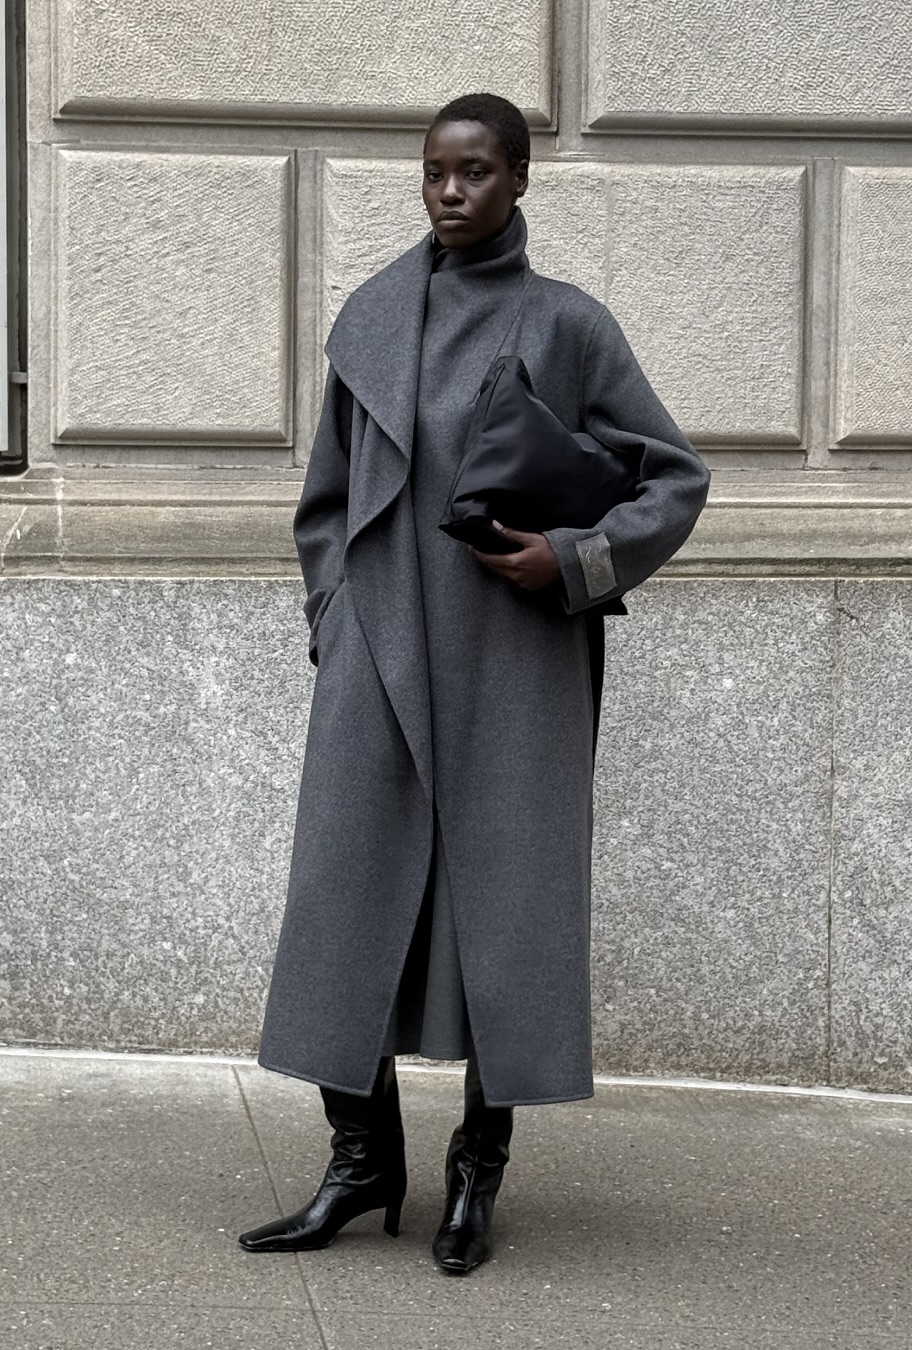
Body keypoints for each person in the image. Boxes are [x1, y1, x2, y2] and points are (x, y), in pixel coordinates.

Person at [239, 92, 710, 1275]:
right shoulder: (375, 314)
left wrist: (574, 559)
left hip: (518, 659)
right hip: (380, 652)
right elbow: (326, 505)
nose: (451, 192)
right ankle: (360, 1163)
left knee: (507, 910)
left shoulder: (569, 326)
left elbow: (675, 479)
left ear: (519, 182)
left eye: (476, 173)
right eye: (435, 173)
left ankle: (473, 1176)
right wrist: (334, 619)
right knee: (347, 899)